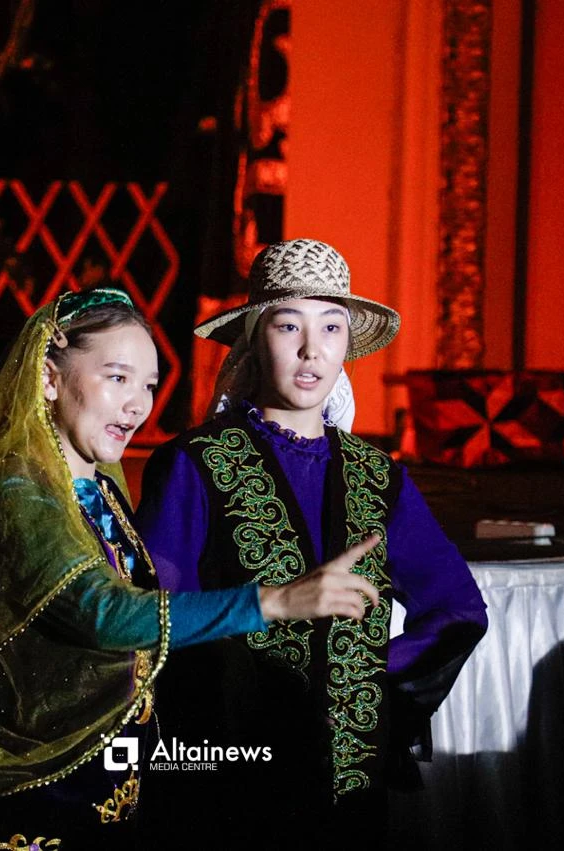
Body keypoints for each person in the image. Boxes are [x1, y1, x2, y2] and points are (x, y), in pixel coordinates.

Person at [0, 286, 382, 850]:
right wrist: (276, 600)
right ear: (48, 378)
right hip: (38, 786)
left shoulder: (100, 491)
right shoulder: (18, 488)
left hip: (109, 777)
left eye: (148, 385)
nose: (138, 405)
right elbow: (104, 613)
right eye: (117, 378)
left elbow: (149, 622)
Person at [134, 239, 489, 844]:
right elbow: (152, 617)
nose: (310, 348)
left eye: (330, 326)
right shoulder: (196, 463)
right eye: (287, 325)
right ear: (253, 339)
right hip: (229, 772)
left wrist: (368, 686)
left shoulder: (378, 476)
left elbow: (458, 610)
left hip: (347, 780)